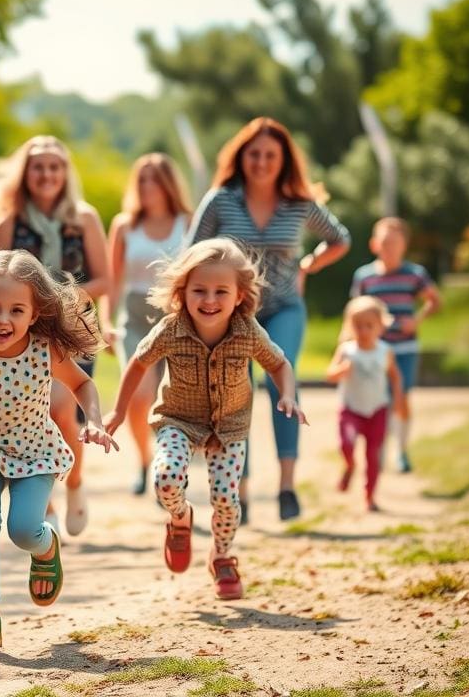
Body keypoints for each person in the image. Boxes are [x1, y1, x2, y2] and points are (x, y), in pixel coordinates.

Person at [0, 250, 117, 648]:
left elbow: (83, 385)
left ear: (33, 315)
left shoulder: (44, 349)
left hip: (34, 452)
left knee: (22, 531)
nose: (2, 319)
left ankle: (46, 546)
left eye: (16, 310)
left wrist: (94, 421)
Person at [105, 238, 306, 600]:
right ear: (183, 292)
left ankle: (222, 556)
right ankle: (180, 519)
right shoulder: (171, 329)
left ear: (239, 295)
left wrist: (287, 394)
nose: (209, 300)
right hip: (177, 420)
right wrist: (119, 410)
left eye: (220, 291)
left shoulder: (248, 332)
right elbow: (138, 362)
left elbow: (278, 364)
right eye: (199, 290)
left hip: (229, 426)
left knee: (227, 500)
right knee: (166, 478)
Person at [187, 117, 349, 523]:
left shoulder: (299, 203)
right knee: (236, 393)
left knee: (283, 377)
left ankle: (287, 486)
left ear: (284, 161)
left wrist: (308, 265)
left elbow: (340, 238)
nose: (261, 162)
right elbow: (191, 252)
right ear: (242, 157)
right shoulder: (221, 200)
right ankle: (239, 489)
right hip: (233, 315)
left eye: (270, 155)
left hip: (285, 307)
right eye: (254, 154)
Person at [0, 135, 110, 536]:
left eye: (55, 166)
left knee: (61, 408)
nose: (47, 174)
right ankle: (45, 500)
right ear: (25, 173)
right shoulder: (7, 223)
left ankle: (74, 482)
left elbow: (104, 278)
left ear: (65, 173)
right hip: (18, 333)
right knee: (33, 414)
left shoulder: (84, 219)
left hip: (72, 329)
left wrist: (59, 300)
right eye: (38, 166)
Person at [103, 154, 192, 495]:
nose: (147, 187)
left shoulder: (188, 221)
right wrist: (107, 321)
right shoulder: (125, 226)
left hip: (177, 318)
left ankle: (167, 464)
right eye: (141, 180)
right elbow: (113, 281)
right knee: (139, 397)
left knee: (170, 400)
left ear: (168, 184)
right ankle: (145, 459)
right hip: (135, 318)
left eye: (154, 179)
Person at [350, 217, 441, 473]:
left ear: (404, 246)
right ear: (374, 244)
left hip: (405, 348)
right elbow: (354, 312)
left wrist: (418, 319)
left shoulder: (415, 274)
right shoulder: (364, 277)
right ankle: (378, 451)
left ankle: (401, 451)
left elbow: (434, 301)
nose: (389, 248)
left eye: (395, 243)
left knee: (401, 398)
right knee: (380, 400)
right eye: (385, 243)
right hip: (375, 350)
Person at [326, 296, 405, 512]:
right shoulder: (346, 350)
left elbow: (395, 377)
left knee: (373, 455)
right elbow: (330, 375)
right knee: (346, 444)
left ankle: (370, 496)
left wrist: (398, 400)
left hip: (377, 410)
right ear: (350, 326)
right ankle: (350, 465)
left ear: (381, 326)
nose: (363, 331)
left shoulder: (385, 351)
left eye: (369, 326)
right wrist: (341, 371)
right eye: (357, 326)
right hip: (351, 409)